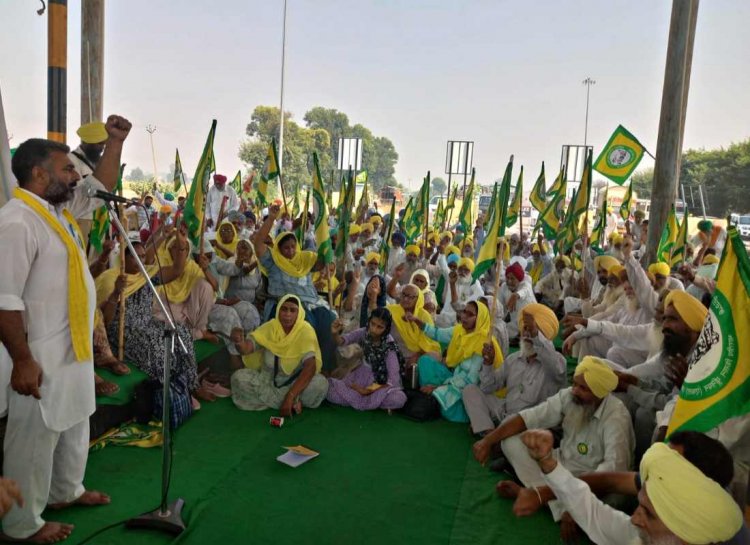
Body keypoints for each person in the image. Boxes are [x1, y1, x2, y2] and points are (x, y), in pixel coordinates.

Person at [0, 115, 131, 543]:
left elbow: (103, 187)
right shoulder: (18, 220)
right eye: (68, 169)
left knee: (75, 422)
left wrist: (115, 142)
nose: (77, 175)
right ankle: (22, 525)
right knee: (33, 441)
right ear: (39, 174)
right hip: (38, 355)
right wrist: (22, 360)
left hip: (72, 347)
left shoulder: (57, 211)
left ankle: (64, 491)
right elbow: (5, 299)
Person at [473, 357, 635, 535]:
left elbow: (610, 474)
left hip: (596, 481)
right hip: (562, 464)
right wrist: (488, 441)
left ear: (599, 393)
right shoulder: (570, 397)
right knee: (510, 442)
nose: (574, 390)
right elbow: (529, 417)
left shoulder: (616, 417)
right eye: (574, 384)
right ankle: (552, 502)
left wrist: (578, 499)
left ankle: (537, 495)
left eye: (583, 388)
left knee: (614, 504)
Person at [519, 429, 744, 545]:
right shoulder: (645, 534)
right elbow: (593, 513)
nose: (634, 519)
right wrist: (548, 464)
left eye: (648, 513)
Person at [96, 238, 217, 409]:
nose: (140, 260)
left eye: (143, 256)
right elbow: (105, 321)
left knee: (180, 332)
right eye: (135, 257)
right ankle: (174, 393)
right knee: (157, 344)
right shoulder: (111, 278)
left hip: (147, 322)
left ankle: (192, 385)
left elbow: (176, 270)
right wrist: (116, 292)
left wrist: (181, 246)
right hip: (124, 330)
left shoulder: (147, 275)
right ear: (123, 258)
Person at [254, 203, 336, 371]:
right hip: (286, 306)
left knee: (330, 321)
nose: (290, 251)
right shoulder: (273, 262)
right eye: (286, 248)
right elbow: (258, 243)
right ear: (279, 249)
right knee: (308, 325)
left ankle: (325, 367)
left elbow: (322, 263)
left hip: (312, 303)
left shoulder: (304, 259)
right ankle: (300, 369)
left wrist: (324, 237)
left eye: (293, 246)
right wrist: (271, 218)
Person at [463, 304, 566, 437]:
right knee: (470, 390)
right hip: (505, 409)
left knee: (517, 423)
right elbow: (487, 388)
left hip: (530, 421)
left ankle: (492, 433)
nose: (527, 334)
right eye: (525, 329)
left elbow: (555, 367)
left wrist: (536, 337)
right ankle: (489, 432)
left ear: (544, 335)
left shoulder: (557, 362)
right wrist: (488, 364)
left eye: (534, 331)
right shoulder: (513, 359)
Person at [230, 295, 328, 415]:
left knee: (320, 384)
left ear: (299, 313)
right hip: (268, 381)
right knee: (238, 378)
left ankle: (285, 401)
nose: (287, 314)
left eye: (292, 310)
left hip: (294, 383)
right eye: (284, 309)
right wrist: (239, 342)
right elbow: (247, 349)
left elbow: (310, 367)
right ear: (278, 310)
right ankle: (293, 403)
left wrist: (290, 396)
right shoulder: (271, 327)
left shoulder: (305, 330)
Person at [408, 301, 502, 423]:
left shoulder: (483, 343)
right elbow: (436, 333)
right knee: (425, 361)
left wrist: (438, 387)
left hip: (469, 388)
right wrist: (416, 320)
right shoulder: (459, 330)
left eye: (470, 314)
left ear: (480, 319)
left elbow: (471, 380)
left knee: (449, 410)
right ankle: (434, 396)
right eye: (464, 312)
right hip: (453, 377)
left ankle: (437, 397)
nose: (464, 316)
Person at [327, 308, 407, 411]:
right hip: (359, 378)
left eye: (380, 327)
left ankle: (363, 400)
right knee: (330, 391)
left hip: (379, 385)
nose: (374, 329)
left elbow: (392, 378)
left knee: (398, 399)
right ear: (369, 321)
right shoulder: (364, 332)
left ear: (386, 329)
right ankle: (367, 401)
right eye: (372, 324)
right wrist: (334, 334)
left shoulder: (389, 346)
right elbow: (343, 341)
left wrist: (366, 390)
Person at [386, 284, 441, 367]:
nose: (405, 299)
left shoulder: (424, 316)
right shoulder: (391, 311)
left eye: (410, 297)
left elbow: (429, 341)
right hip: (395, 353)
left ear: (418, 299)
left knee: (433, 356)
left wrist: (418, 354)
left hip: (419, 355)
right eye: (403, 294)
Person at [499, 262, 536, 339]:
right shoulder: (504, 287)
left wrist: (515, 295)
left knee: (502, 333)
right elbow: (500, 306)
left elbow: (525, 291)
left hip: (531, 322)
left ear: (519, 279)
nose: (509, 281)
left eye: (512, 278)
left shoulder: (526, 285)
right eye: (507, 278)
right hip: (515, 322)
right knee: (498, 330)